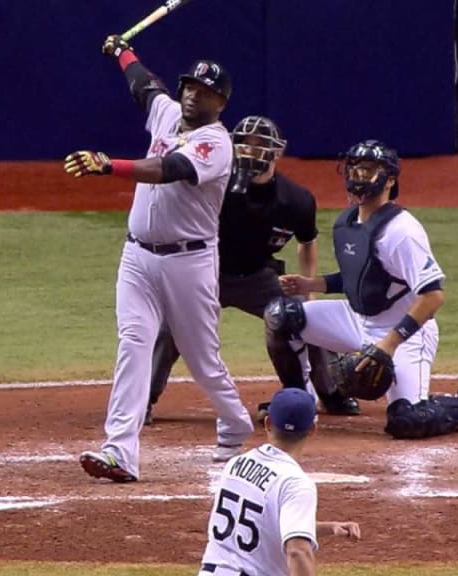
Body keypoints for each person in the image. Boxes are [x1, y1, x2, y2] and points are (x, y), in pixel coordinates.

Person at [65, 34, 254, 482]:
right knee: (133, 344)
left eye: (204, 91)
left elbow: (170, 171)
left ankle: (236, 420)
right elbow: (143, 86)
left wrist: (110, 166)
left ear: (220, 102)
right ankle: (120, 452)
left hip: (189, 264)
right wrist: (120, 51)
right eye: (189, 86)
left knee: (201, 357)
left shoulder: (216, 144)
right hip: (137, 258)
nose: (192, 94)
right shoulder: (168, 113)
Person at [265, 140, 458, 439]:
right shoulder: (347, 221)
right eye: (354, 168)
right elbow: (363, 279)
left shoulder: (402, 232)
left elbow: (433, 295)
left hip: (404, 333)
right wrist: (312, 284)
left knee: (408, 421)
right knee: (281, 316)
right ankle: (300, 400)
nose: (358, 176)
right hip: (356, 319)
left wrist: (390, 344)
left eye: (368, 170)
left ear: (390, 179)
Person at [147, 115, 359, 427]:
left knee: (305, 318)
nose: (250, 152)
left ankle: (327, 394)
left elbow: (307, 242)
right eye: (245, 145)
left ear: (276, 152)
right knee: (170, 331)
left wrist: (309, 292)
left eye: (260, 146)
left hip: (258, 277)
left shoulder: (296, 200)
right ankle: (144, 399)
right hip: (206, 272)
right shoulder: (216, 185)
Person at [197, 387, 361, 576]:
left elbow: (263, 524)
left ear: (268, 423)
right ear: (312, 430)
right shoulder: (295, 483)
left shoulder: (236, 464)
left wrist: (329, 527)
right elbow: (298, 551)